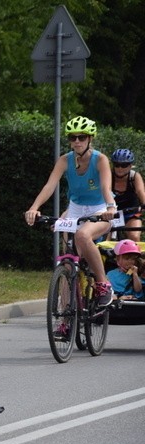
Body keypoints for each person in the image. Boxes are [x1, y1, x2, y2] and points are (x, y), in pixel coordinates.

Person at [24, 116, 116, 307]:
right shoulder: (65, 160)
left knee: (83, 235)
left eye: (81, 137)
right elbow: (50, 186)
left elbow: (107, 188)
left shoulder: (100, 160)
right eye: (72, 138)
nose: (76, 142)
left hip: (100, 208)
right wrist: (34, 208)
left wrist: (110, 208)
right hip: (75, 208)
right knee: (68, 262)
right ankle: (66, 321)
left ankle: (103, 283)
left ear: (90, 138)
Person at [110, 149, 145, 242]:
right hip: (111, 214)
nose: (120, 168)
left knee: (134, 236)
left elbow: (141, 192)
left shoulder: (134, 177)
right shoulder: (108, 176)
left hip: (131, 213)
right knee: (104, 240)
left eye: (124, 165)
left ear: (130, 166)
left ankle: (135, 256)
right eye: (117, 165)